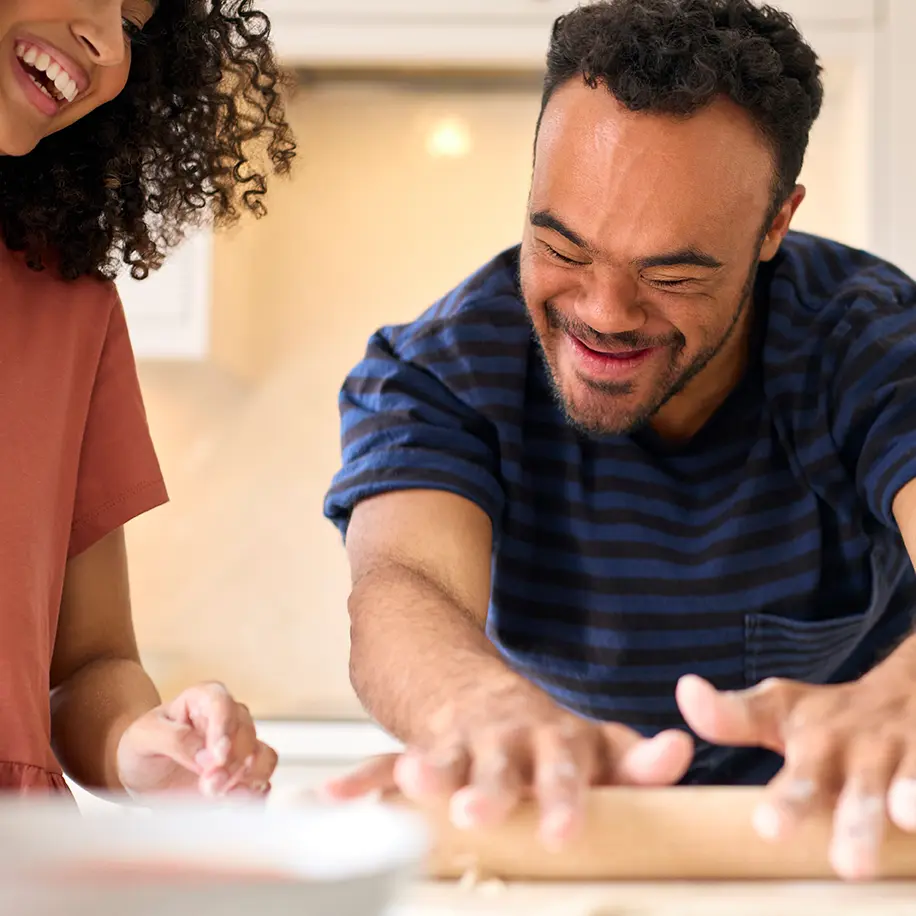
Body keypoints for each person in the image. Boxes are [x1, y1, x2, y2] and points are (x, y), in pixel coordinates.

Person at [322, 0, 916, 882]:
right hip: (561, 842)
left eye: (671, 273)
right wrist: (475, 706)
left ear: (774, 227)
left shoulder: (869, 341)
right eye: (560, 246)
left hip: (844, 855)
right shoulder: (442, 369)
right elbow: (401, 585)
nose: (603, 313)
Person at [0, 0, 295, 801]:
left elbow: (90, 663)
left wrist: (142, 745)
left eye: (132, 23)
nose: (103, 39)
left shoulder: (68, 306)